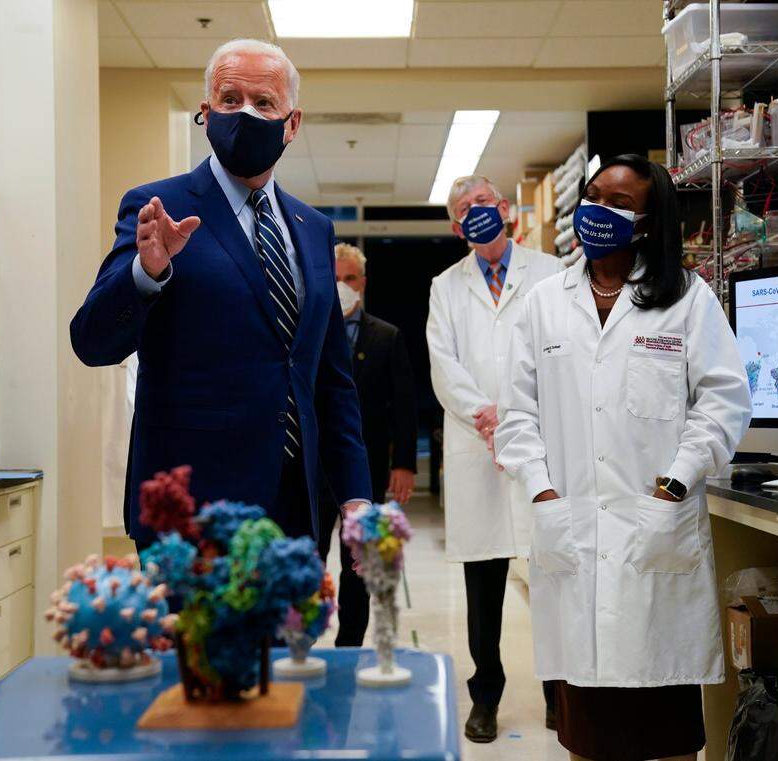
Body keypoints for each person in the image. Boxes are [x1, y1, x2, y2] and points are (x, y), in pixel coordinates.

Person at [495, 154, 752, 761]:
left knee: (668, 736)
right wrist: (543, 491)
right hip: (574, 533)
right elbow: (517, 416)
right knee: (588, 734)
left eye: (618, 203)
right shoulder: (543, 304)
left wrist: (676, 483)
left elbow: (721, 403)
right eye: (591, 196)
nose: (597, 212)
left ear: (647, 220)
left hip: (654, 533)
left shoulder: (687, 299)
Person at [71, 39, 371, 549]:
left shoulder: (313, 227)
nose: (246, 114)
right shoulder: (156, 206)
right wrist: (147, 273)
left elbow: (329, 378)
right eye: (230, 100)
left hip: (295, 510)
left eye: (264, 103)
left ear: (291, 123)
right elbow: (92, 342)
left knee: (287, 634)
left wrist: (355, 497)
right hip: (190, 515)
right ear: (205, 114)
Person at [426, 175, 563, 743]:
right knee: (484, 585)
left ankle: (562, 693)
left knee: (555, 574)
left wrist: (518, 416)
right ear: (457, 227)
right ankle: (486, 695)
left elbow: (561, 351)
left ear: (503, 209)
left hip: (542, 444)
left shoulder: (552, 272)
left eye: (482, 203)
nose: (474, 214)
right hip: (477, 445)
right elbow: (443, 363)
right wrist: (487, 414)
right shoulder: (445, 286)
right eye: (463, 210)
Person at [316, 242, 419, 646]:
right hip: (313, 467)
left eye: (350, 279)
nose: (342, 285)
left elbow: (404, 407)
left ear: (363, 283)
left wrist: (404, 463)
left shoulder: (386, 337)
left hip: (366, 466)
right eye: (336, 278)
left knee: (356, 562)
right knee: (311, 553)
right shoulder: (309, 334)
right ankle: (303, 637)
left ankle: (349, 644)